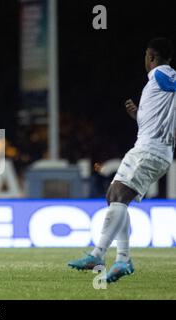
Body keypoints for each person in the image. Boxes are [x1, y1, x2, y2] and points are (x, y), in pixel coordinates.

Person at [68, 38, 176, 283]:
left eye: (146, 56)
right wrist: (139, 116)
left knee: (118, 195)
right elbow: (160, 119)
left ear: (150, 56)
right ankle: (123, 259)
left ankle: (98, 254)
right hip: (150, 148)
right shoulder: (159, 85)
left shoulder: (162, 74)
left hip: (150, 151)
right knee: (114, 196)